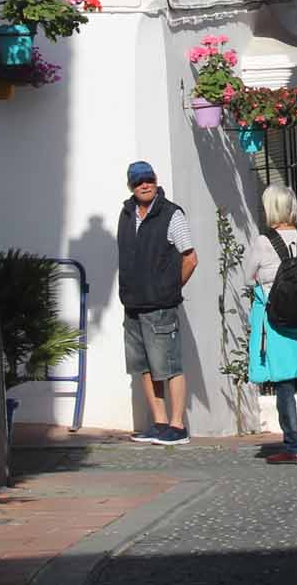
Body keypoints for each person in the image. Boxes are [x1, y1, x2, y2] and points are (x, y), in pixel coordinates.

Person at [244, 184, 297, 463]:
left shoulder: (263, 242)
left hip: (277, 320)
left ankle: (293, 446)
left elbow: (248, 277)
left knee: (284, 384)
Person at [116, 160, 196, 445]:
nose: (145, 185)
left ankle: (177, 426)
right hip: (133, 306)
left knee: (169, 365)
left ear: (156, 180)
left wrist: (170, 287)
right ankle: (159, 422)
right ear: (131, 186)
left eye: (148, 179)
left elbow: (190, 257)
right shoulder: (126, 214)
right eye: (139, 182)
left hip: (161, 305)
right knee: (144, 367)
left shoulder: (171, 214)